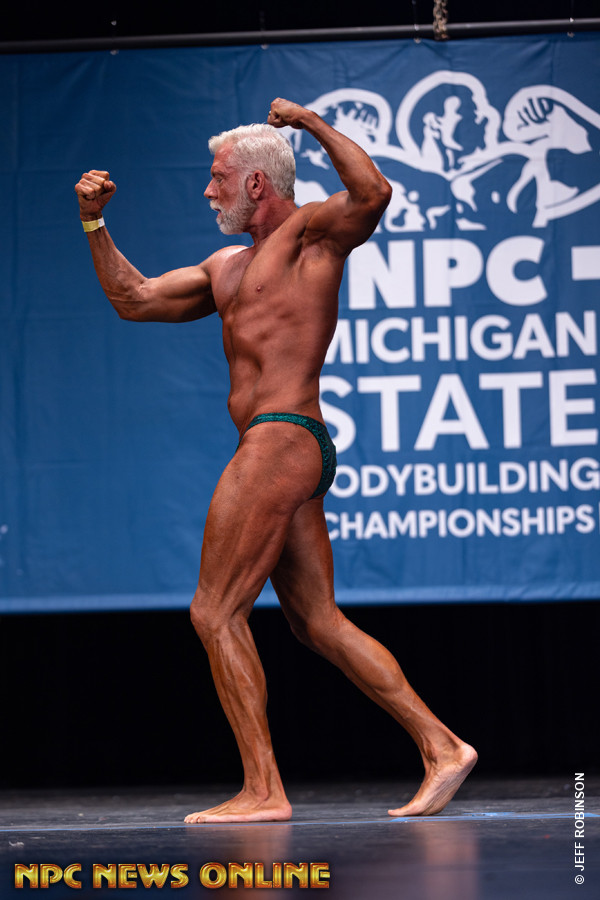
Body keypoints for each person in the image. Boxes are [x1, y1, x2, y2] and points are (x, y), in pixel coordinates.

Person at [75, 97, 477, 824]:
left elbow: (374, 193)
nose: (209, 190)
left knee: (214, 611)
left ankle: (263, 790)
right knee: (317, 621)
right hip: (283, 446)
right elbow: (133, 299)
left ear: (256, 182)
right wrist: (94, 224)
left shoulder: (311, 237)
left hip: (281, 436)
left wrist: (312, 125)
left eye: (218, 177)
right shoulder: (225, 268)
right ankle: (443, 746)